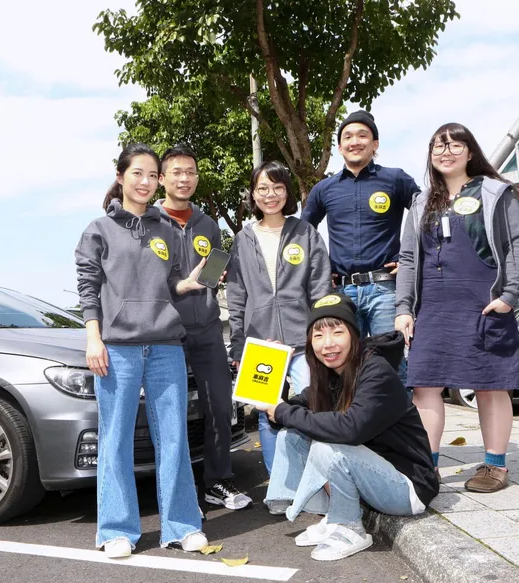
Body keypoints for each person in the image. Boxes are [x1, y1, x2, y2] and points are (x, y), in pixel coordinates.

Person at [75, 143, 212, 558]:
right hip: (117, 348)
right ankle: (116, 529)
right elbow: (88, 288)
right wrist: (93, 337)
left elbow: (168, 282)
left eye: (153, 176)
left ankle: (182, 524)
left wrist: (182, 285)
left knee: (174, 439)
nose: (146, 182)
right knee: (114, 439)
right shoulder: (99, 230)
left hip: (166, 345)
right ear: (121, 177)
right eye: (138, 173)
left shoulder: (166, 230)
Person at [394, 122, 519, 493]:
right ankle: (428, 465)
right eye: (438, 145)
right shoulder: (421, 201)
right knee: (424, 387)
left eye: (455, 145)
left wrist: (508, 297)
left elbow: (518, 244)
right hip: (433, 308)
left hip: (484, 304)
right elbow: (408, 258)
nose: (446, 151)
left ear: (470, 152)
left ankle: (494, 466)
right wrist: (404, 307)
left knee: (490, 385)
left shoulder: (496, 191)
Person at [262, 293, 438, 561]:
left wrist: (286, 412)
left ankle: (351, 528)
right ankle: (334, 516)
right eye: (318, 336)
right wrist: (275, 368)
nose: (328, 343)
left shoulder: (375, 372)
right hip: (375, 477)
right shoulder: (331, 377)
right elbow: (286, 412)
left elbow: (351, 430)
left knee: (328, 446)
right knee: (292, 434)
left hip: (407, 488)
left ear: (353, 335)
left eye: (337, 332)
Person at [157, 144, 252, 511]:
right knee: (172, 413)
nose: (184, 178)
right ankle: (177, 492)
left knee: (218, 406)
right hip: (165, 334)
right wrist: (178, 287)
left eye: (190, 172)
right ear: (162, 178)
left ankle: (218, 482)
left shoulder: (208, 225)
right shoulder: (148, 223)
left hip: (208, 331)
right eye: (176, 172)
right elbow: (142, 285)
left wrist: (216, 278)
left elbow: (211, 278)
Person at [227, 161, 331, 475]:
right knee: (265, 414)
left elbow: (321, 286)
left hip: (303, 340)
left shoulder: (305, 232)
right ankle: (279, 488)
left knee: (313, 405)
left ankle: (319, 480)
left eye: (277, 187)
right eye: (262, 188)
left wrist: (321, 334)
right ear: (253, 195)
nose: (270, 195)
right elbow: (236, 295)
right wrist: (237, 345)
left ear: (287, 192)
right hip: (260, 344)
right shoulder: (242, 240)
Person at [302, 110, 421, 377]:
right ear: (340, 146)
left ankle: (395, 420)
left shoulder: (396, 179)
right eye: (348, 136)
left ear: (375, 144)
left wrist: (410, 259)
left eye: (362, 135)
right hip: (342, 294)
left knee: (391, 365)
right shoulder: (324, 189)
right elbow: (302, 232)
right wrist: (321, 269)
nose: (355, 141)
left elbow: (428, 216)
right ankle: (349, 419)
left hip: (386, 290)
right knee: (343, 367)